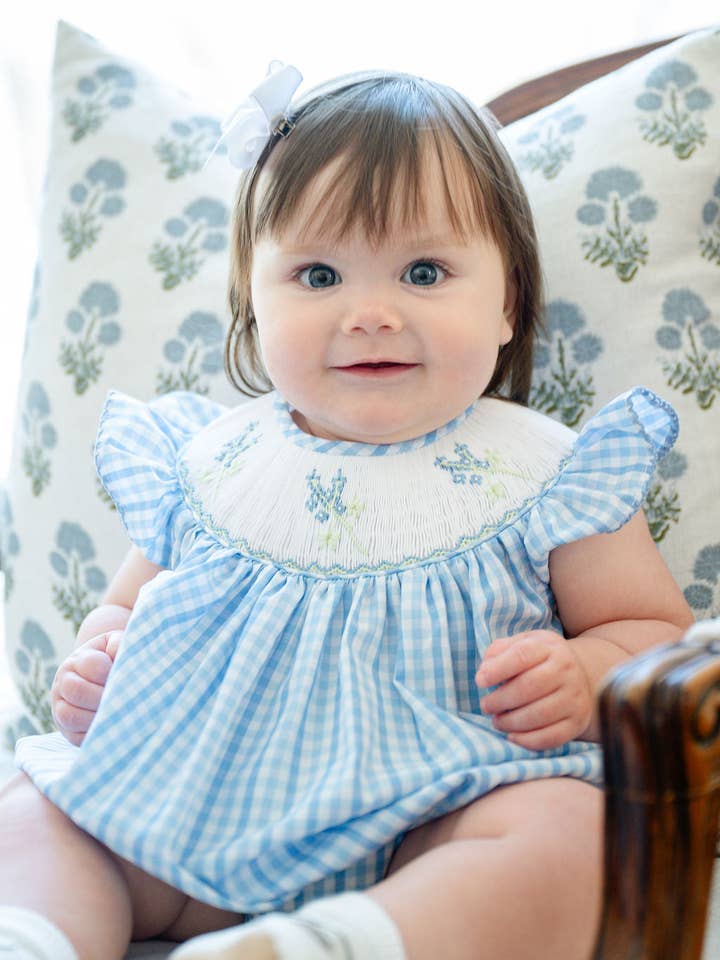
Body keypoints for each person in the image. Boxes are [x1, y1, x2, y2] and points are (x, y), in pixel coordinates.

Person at [0, 62, 693, 960]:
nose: (369, 313)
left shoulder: (546, 471)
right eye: (319, 273)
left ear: (509, 302)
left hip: (437, 818)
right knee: (42, 811)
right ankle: (36, 938)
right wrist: (96, 669)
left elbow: (656, 631)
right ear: (255, 298)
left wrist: (584, 671)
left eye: (424, 271)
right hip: (194, 816)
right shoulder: (215, 464)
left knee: (570, 837)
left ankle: (341, 941)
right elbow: (123, 612)